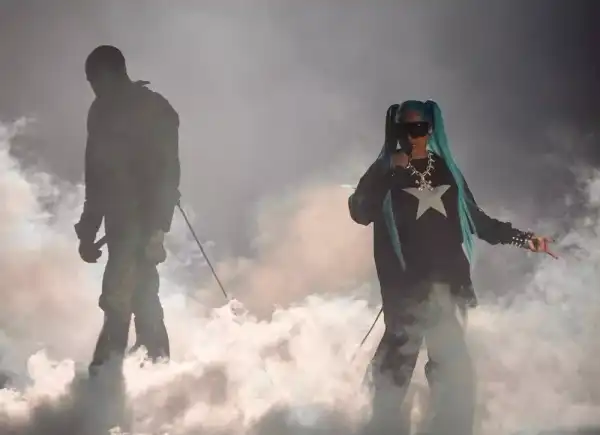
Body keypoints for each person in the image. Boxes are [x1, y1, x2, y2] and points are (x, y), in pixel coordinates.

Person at [348, 100, 556, 435]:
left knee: (453, 375)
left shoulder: (445, 171)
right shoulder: (384, 169)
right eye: (404, 128)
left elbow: (476, 220)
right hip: (405, 292)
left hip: (446, 287)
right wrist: (389, 174)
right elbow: (359, 211)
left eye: (418, 128)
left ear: (430, 130)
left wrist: (526, 239)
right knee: (394, 373)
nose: (411, 136)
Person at [74, 45, 181, 376]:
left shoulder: (155, 110)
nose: (93, 86)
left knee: (123, 299)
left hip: (146, 221)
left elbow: (169, 172)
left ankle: (107, 379)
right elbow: (96, 175)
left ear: (112, 74)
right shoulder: (101, 112)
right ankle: (153, 373)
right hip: (121, 223)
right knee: (139, 297)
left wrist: (158, 227)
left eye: (95, 79)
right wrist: (89, 229)